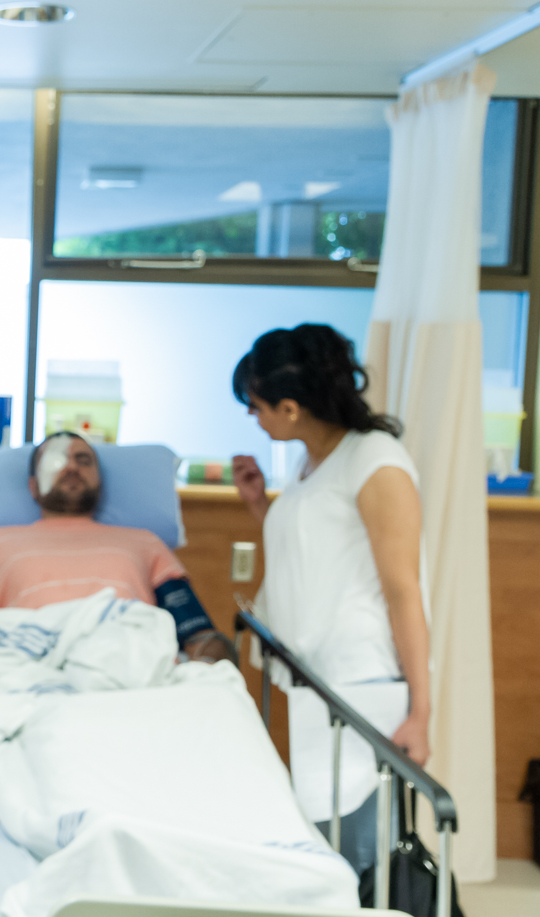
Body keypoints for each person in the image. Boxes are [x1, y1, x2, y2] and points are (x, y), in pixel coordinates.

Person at [231, 323, 429, 875]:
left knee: (358, 856)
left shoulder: (376, 461)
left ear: (290, 408)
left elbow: (402, 588)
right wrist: (257, 504)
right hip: (318, 680)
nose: (253, 415)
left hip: (362, 683)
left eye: (256, 404)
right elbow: (317, 552)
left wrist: (421, 711)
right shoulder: (314, 461)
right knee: (326, 846)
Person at [0, 432, 235, 664]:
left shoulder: (144, 542)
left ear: (100, 483)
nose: (72, 467)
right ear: (33, 487)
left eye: (83, 460)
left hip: (129, 673)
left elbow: (199, 636)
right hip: (27, 671)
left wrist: (211, 665)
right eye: (56, 460)